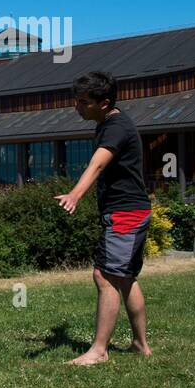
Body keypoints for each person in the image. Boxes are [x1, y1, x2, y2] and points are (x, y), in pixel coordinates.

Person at [54, 71, 153, 366]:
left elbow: (97, 165)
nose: (77, 107)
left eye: (83, 102)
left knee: (105, 276)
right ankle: (140, 345)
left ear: (104, 103)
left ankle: (99, 351)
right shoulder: (109, 123)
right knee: (124, 278)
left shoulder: (115, 127)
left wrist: (75, 195)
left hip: (125, 213)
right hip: (129, 211)